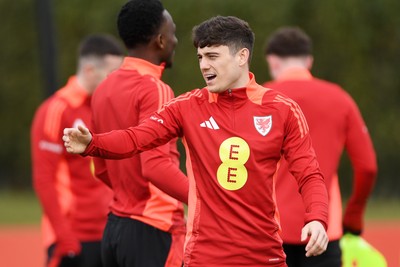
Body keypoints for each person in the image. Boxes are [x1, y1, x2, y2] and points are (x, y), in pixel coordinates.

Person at [63, 16, 329, 267]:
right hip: (204, 257)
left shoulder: (282, 109)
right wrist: (92, 143)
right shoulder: (187, 107)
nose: (203, 65)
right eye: (200, 57)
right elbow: (137, 138)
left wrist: (317, 217)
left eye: (213, 56)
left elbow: (309, 174)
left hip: (264, 256)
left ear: (242, 56)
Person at [262, 26, 377, 267]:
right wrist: (353, 218)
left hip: (267, 230)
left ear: (272, 61)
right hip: (324, 230)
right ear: (309, 61)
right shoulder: (340, 98)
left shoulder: (259, 99)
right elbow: (367, 167)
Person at [89, 0, 189, 266]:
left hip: (115, 230)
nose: (175, 40)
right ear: (159, 40)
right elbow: (155, 167)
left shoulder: (103, 88)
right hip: (153, 230)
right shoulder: (154, 89)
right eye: (173, 33)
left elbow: (100, 169)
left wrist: (131, 196)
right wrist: (204, 198)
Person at [31, 34, 124, 267]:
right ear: (91, 69)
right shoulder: (56, 109)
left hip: (109, 231)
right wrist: (64, 237)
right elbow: (45, 179)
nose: (117, 81)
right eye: (112, 73)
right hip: (74, 237)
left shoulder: (106, 108)